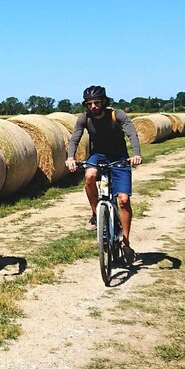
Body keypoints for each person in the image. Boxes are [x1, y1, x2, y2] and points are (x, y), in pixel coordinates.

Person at [65, 85, 142, 263]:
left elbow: (132, 133)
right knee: (90, 175)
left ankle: (126, 243)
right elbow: (75, 138)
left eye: (96, 102)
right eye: (89, 103)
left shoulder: (117, 114)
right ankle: (95, 214)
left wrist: (136, 154)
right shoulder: (84, 119)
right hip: (97, 155)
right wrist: (70, 157)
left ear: (104, 101)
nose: (93, 106)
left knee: (123, 199)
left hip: (119, 156)